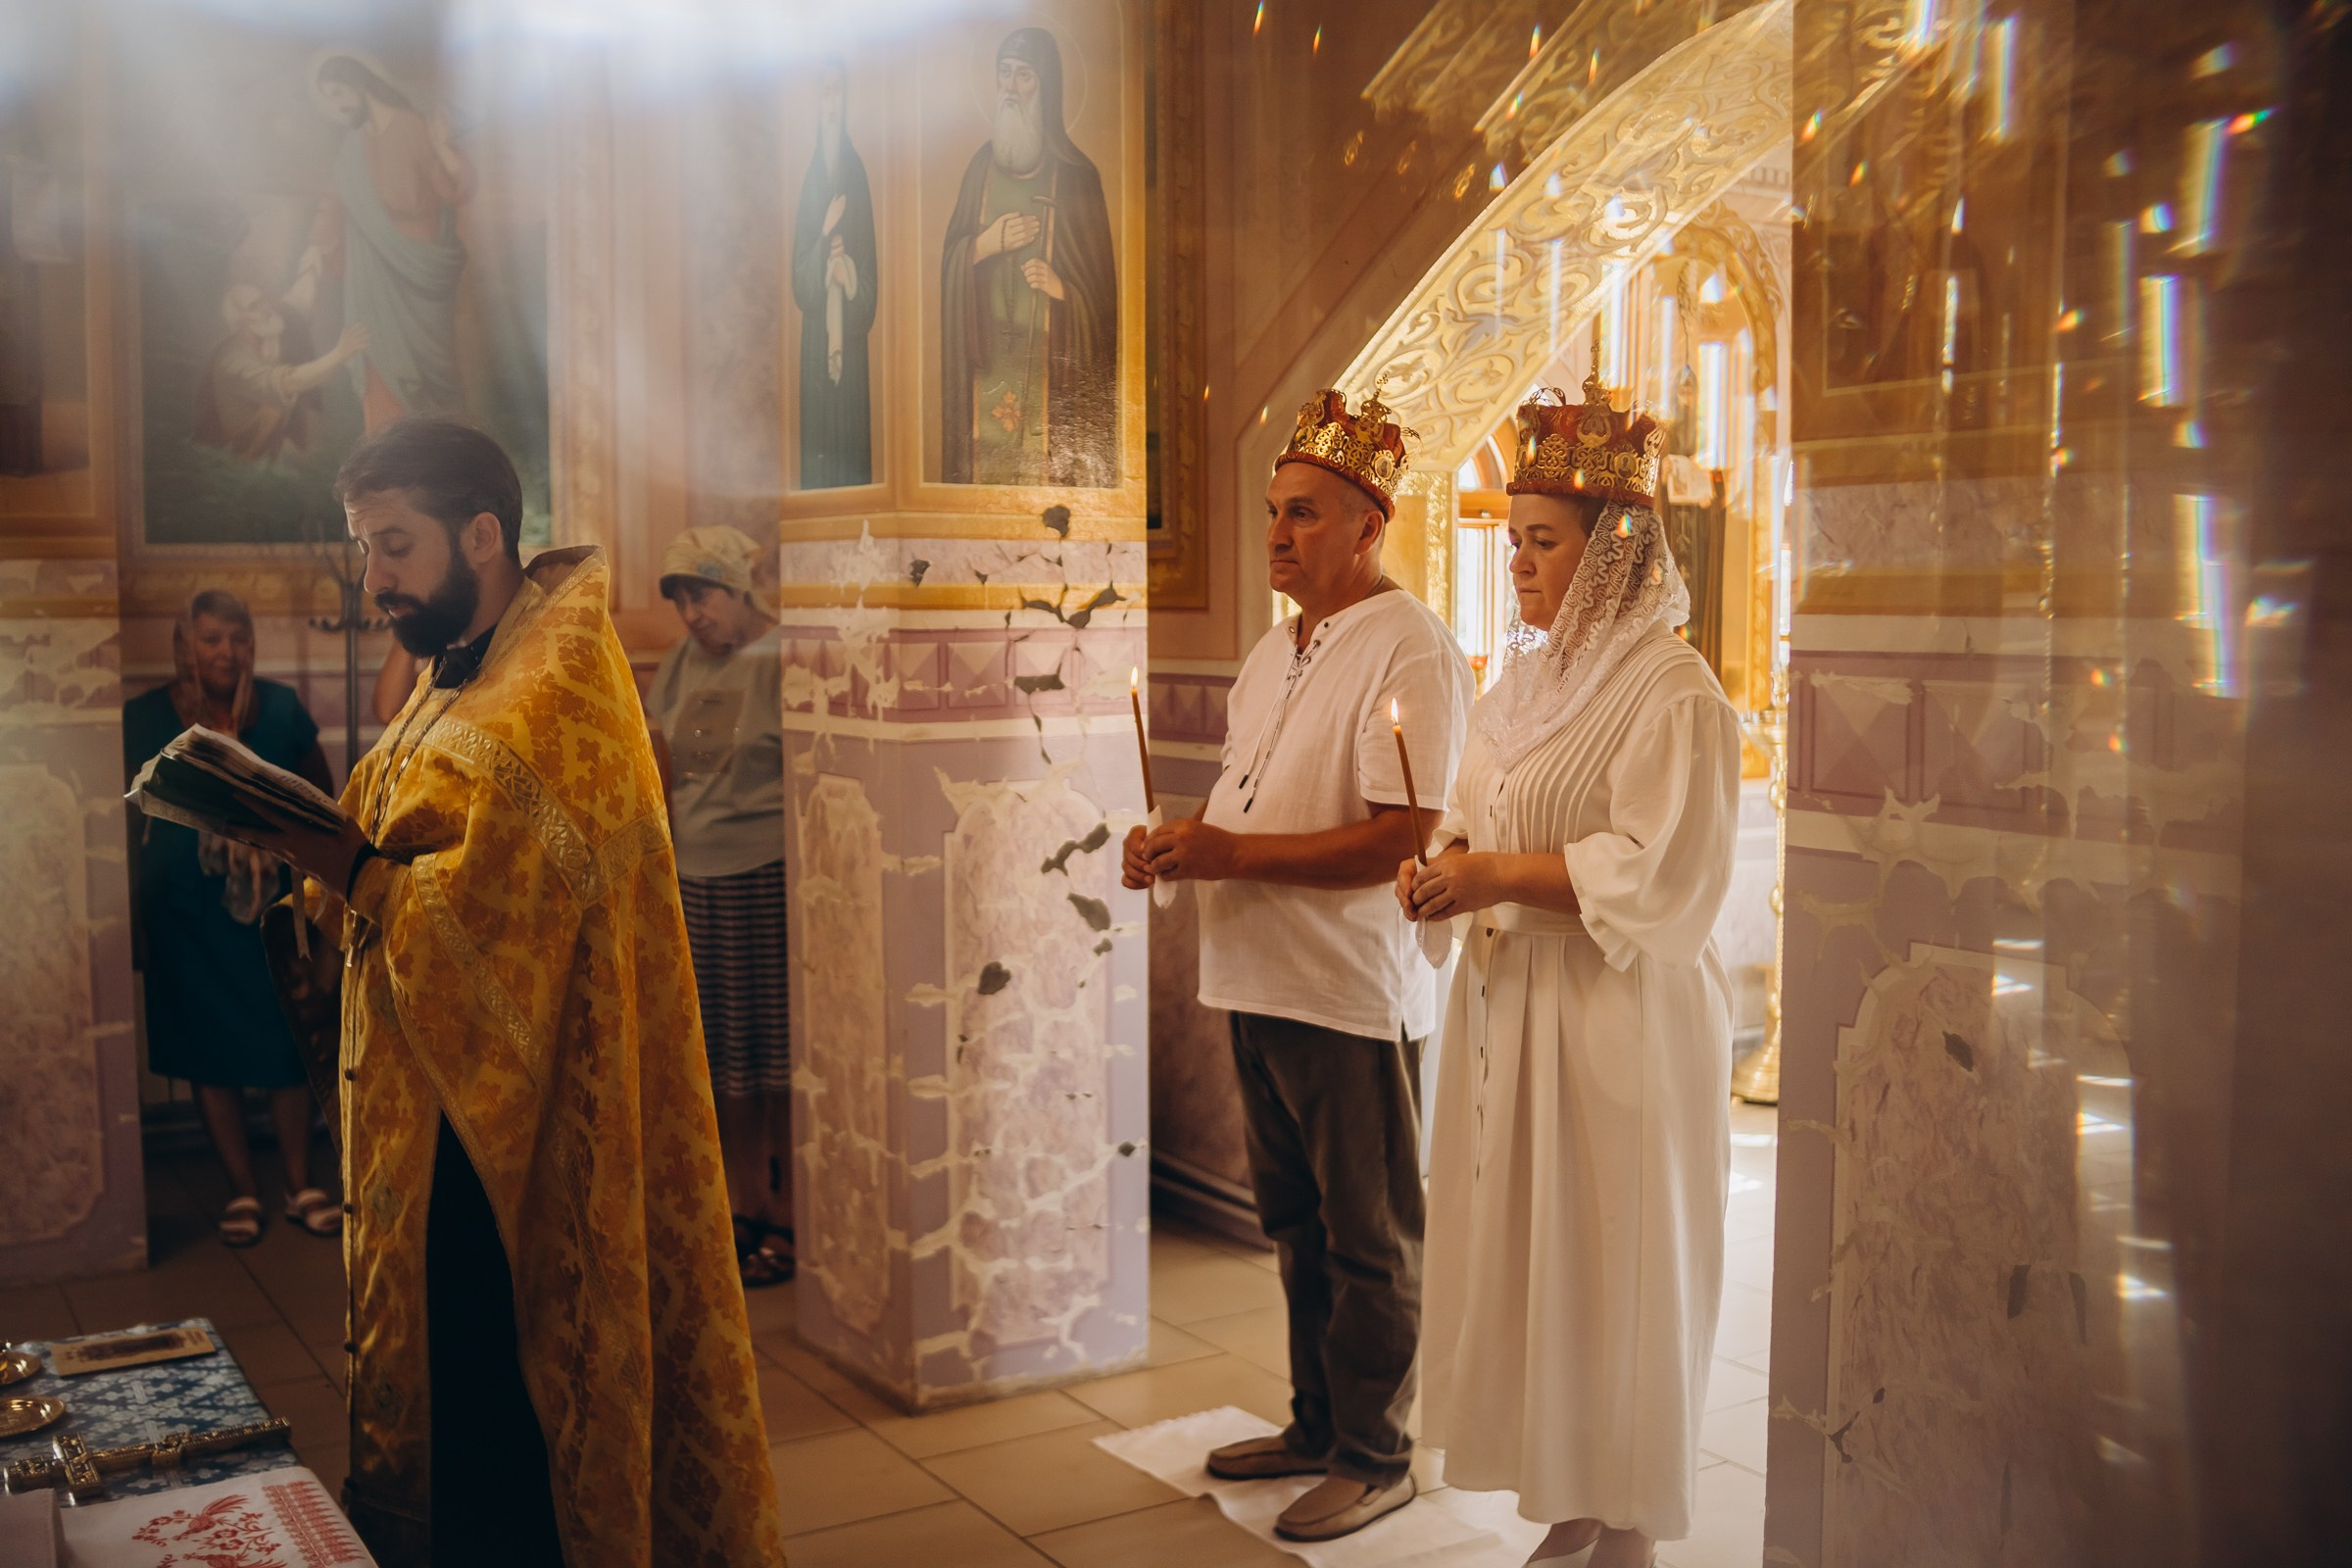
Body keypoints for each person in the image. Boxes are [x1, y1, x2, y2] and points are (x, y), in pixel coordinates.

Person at [229, 418, 784, 1566]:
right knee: (442, 1393)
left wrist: (333, 860)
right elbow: (403, 845)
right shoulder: (455, 675)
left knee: (500, 1417)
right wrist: (302, 844)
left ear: (481, 535)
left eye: (393, 546)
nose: (374, 577)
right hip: (423, 1113)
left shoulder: (556, 691)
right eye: (366, 547)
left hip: (516, 1149)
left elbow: (499, 934)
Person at [1399, 369, 1740, 1568]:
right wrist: (1443, 860)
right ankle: (1575, 1499)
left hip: (1614, 1017)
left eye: (1543, 543)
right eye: (1514, 541)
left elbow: (1661, 873)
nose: (1520, 565)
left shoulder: (1673, 690)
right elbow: (1469, 809)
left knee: (1618, 1260)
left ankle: (1629, 1517)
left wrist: (1494, 877)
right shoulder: (1523, 680)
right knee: (1543, 1266)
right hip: (1512, 1010)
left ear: (1614, 552)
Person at [1124, 387, 1472, 1543]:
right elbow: (1250, 800)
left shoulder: (1407, 641)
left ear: (1369, 525)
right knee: (1297, 1221)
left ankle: (1379, 1454)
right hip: (1254, 978)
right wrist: (1178, 844)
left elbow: (1399, 836)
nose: (1277, 534)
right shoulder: (1275, 648)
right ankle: (1318, 1422)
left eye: (1305, 514)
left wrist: (1233, 852)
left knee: (1369, 1233)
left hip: (1345, 990)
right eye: (1274, 512)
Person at [123, 590, 341, 1248]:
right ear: (186, 644)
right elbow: (128, 820)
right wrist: (134, 922)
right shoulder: (146, 716)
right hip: (184, 911)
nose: (225, 651)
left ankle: (301, 1183)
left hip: (273, 909)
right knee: (207, 1051)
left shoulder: (278, 709)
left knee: (288, 1041)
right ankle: (242, 1190)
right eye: (211, 638)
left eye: (237, 639)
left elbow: (320, 801)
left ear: (250, 645)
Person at [645, 525, 794, 1290]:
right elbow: (660, 754)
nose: (691, 614)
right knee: (723, 1054)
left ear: (738, 589)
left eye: (701, 595)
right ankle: (744, 1204)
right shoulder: (681, 661)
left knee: (775, 1051)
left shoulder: (780, 656)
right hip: (696, 874)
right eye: (680, 601)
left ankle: (789, 1213)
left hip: (763, 871)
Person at [939, 26, 1117, 487]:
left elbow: (1103, 310)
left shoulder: (1078, 178)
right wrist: (984, 245)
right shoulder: (979, 169)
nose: (1011, 88)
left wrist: (1063, 290)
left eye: (1025, 76)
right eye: (1004, 75)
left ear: (1047, 86)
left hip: (1050, 373)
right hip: (988, 363)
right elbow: (950, 264)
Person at [791, 57, 878, 488]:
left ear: (846, 102)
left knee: (850, 446)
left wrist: (848, 277)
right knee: (818, 450)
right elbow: (799, 282)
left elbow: (870, 278)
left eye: (837, 92)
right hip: (815, 342)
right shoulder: (809, 180)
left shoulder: (856, 174)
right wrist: (825, 237)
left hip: (851, 343)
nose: (831, 104)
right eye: (824, 93)